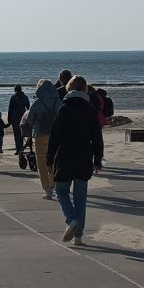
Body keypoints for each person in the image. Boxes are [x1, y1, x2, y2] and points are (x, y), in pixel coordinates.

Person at [47, 76, 103, 246]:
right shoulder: (90, 110)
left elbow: (55, 137)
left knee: (61, 191)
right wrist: (98, 159)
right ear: (85, 90)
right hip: (84, 156)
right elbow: (97, 137)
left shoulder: (64, 109)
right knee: (80, 197)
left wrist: (49, 158)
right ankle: (78, 236)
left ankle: (71, 219)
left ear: (69, 89)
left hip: (65, 156)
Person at [25, 78, 62, 199]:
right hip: (56, 136)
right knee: (53, 161)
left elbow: (29, 120)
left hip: (40, 134)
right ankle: (53, 185)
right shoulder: (58, 102)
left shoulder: (37, 102)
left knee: (41, 163)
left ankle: (47, 190)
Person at [8, 84, 30, 154]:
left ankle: (18, 149)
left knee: (16, 134)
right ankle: (21, 148)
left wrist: (9, 118)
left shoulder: (13, 97)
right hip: (23, 116)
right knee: (22, 133)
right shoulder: (25, 97)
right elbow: (28, 107)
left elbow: (10, 109)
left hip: (15, 117)